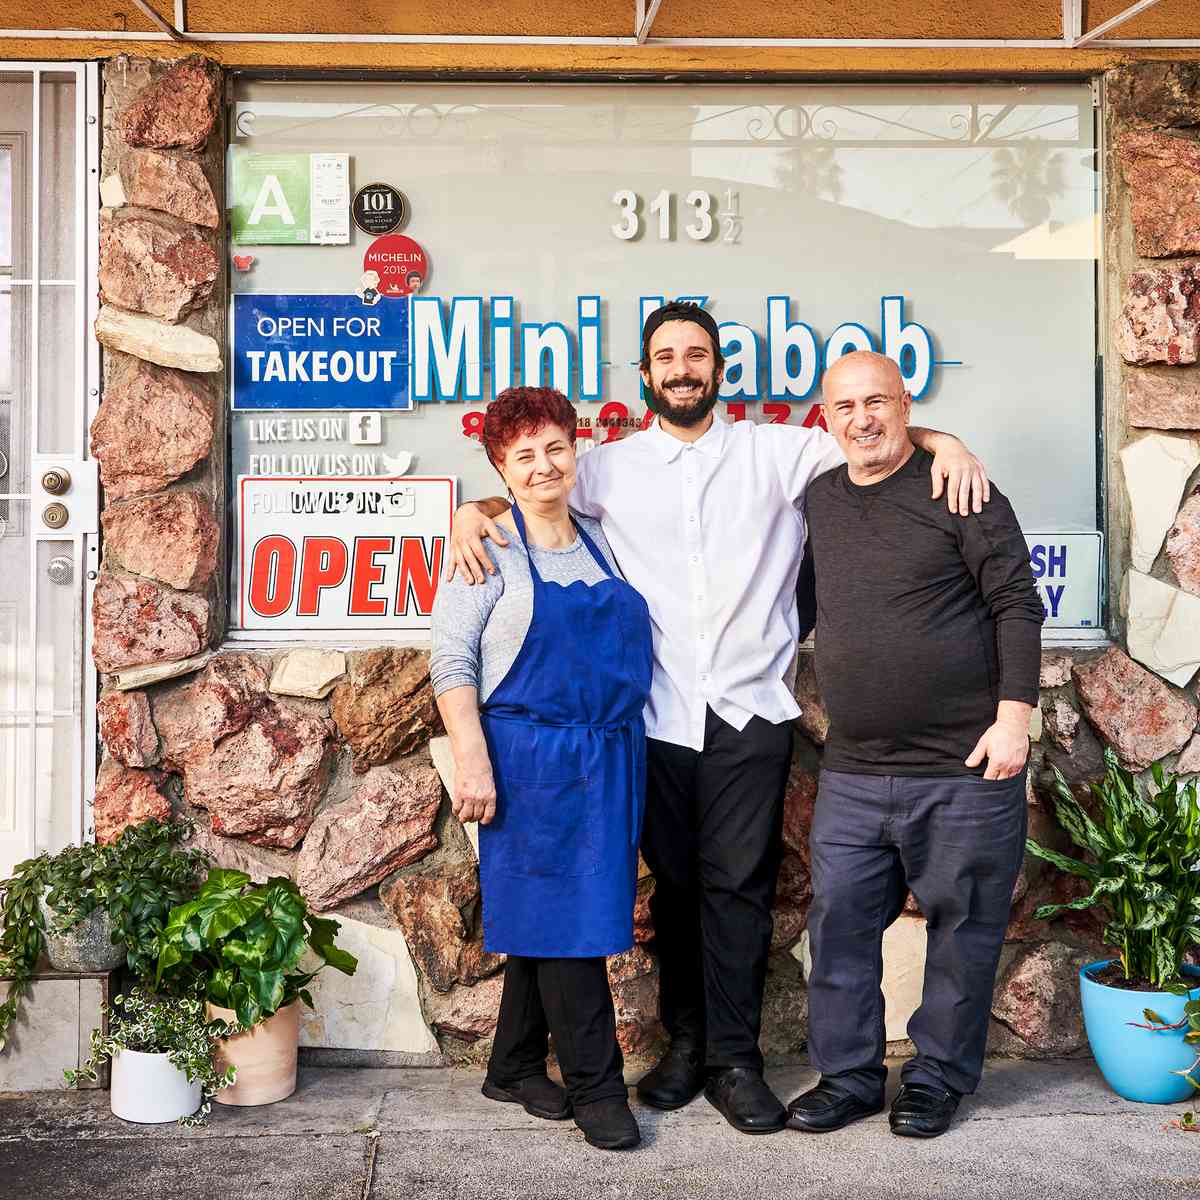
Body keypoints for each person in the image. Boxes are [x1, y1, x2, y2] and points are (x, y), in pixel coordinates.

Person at [448, 302, 990, 1136]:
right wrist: (466, 516)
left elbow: (871, 432)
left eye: (695, 355)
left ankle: (736, 1061)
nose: (681, 369)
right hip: (657, 715)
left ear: (719, 370)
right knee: (674, 890)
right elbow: (528, 484)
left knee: (739, 889)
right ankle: (685, 1046)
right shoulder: (608, 467)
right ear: (645, 376)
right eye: (665, 357)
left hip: (749, 708)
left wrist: (943, 441)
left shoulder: (779, 452)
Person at [787, 351, 1043, 1140]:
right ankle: (852, 1076)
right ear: (826, 419)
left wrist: (1014, 718)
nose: (862, 420)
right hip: (857, 769)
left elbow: (1017, 606)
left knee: (963, 929)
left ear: (906, 405)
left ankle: (936, 1078)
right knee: (837, 927)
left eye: (878, 403)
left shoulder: (957, 488)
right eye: (845, 407)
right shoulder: (819, 500)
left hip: (964, 766)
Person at [430, 386, 651, 1152]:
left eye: (555, 446)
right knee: (572, 927)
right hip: (527, 763)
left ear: (576, 447)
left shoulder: (607, 537)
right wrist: (473, 764)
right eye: (522, 455)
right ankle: (597, 1087)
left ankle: (515, 1063)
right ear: (500, 465)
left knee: (555, 920)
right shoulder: (485, 547)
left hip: (609, 756)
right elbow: (451, 661)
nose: (543, 465)